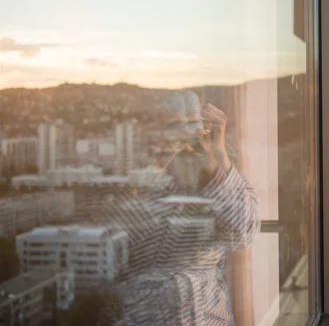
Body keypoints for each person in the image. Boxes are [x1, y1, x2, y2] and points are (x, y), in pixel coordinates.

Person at [98, 90, 259, 326]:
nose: (184, 136)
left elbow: (243, 234)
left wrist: (216, 159)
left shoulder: (220, 167)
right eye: (173, 126)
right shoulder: (127, 173)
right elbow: (113, 246)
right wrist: (154, 166)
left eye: (192, 123)